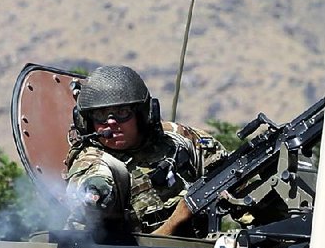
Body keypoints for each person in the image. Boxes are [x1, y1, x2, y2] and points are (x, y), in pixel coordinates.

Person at [64, 65, 226, 237]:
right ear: (87, 122)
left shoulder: (177, 139)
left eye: (122, 112)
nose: (111, 122)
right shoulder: (93, 161)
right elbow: (93, 181)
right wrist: (95, 193)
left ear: (142, 115)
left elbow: (229, 173)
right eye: (100, 114)